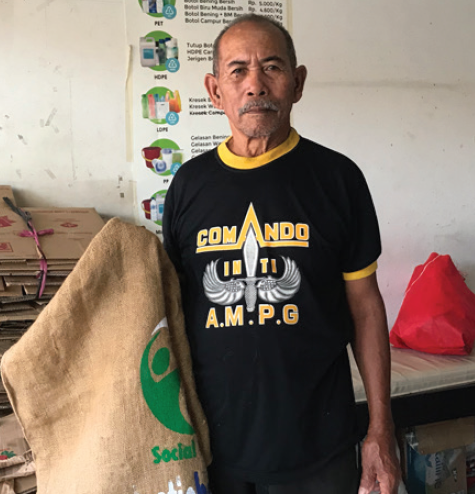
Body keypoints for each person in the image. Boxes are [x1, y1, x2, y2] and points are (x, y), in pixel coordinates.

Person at [163, 14, 400, 494]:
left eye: (271, 67)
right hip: (213, 446)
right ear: (214, 90)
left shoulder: (338, 179)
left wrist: (380, 429)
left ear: (298, 83)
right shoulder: (189, 186)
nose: (255, 85)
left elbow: (366, 307)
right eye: (238, 71)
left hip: (318, 445)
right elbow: (172, 310)